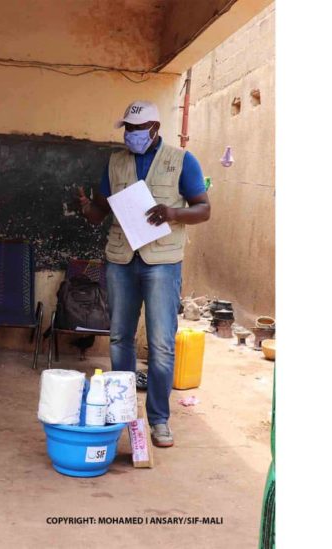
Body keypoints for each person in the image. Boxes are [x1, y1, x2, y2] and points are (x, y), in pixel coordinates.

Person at [76, 100, 211, 448]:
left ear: (154, 128)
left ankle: (159, 420)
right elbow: (100, 212)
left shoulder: (182, 160)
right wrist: (87, 208)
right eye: (128, 129)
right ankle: (122, 411)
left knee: (162, 344)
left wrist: (172, 212)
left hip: (162, 262)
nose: (132, 135)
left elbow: (204, 209)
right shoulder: (116, 161)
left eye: (138, 129)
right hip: (121, 258)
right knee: (119, 338)